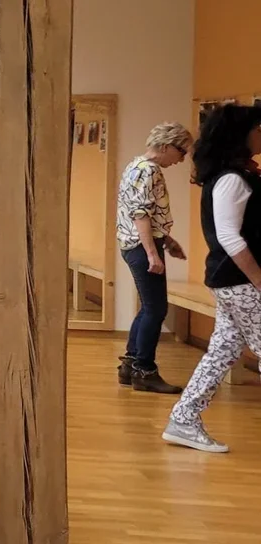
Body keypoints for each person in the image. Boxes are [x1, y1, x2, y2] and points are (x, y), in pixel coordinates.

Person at [163, 105, 261, 453]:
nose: (260, 133)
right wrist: (259, 281)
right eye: (257, 128)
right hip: (241, 281)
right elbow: (230, 238)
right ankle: (184, 420)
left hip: (232, 281)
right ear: (241, 135)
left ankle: (184, 419)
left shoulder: (237, 174)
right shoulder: (231, 179)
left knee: (222, 351)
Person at [115, 122, 194, 393]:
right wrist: (152, 253)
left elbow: (145, 213)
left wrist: (167, 242)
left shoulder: (138, 166)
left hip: (139, 244)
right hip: (140, 247)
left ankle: (130, 365)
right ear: (165, 146)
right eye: (181, 151)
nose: (182, 158)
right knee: (156, 308)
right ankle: (144, 370)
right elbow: (140, 215)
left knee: (150, 307)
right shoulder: (146, 171)